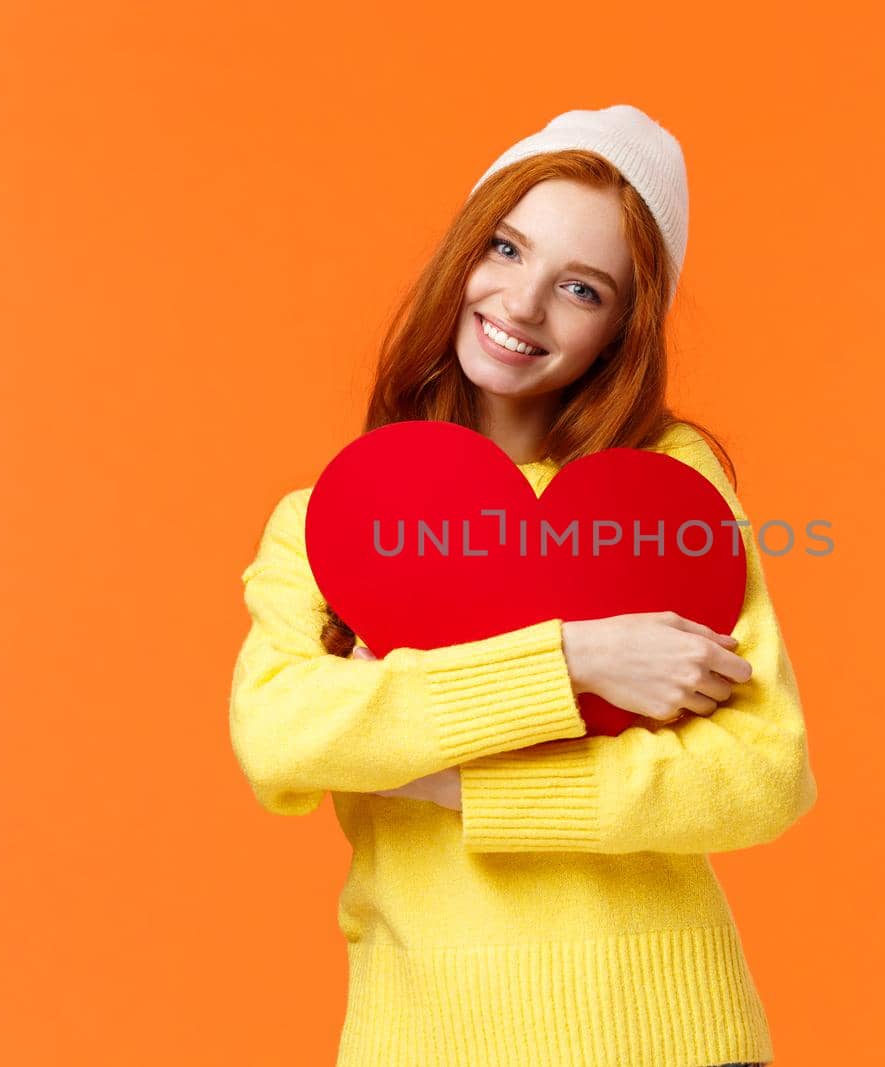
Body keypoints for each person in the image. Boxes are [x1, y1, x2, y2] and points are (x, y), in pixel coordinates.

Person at [229, 104, 816, 1067]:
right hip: (420, 1037)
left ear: (624, 329)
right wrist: (579, 655)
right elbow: (277, 734)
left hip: (665, 1036)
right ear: (464, 250)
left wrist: (440, 768)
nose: (521, 303)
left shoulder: (664, 489)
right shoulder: (329, 519)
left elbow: (761, 773)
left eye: (581, 288)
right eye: (505, 247)